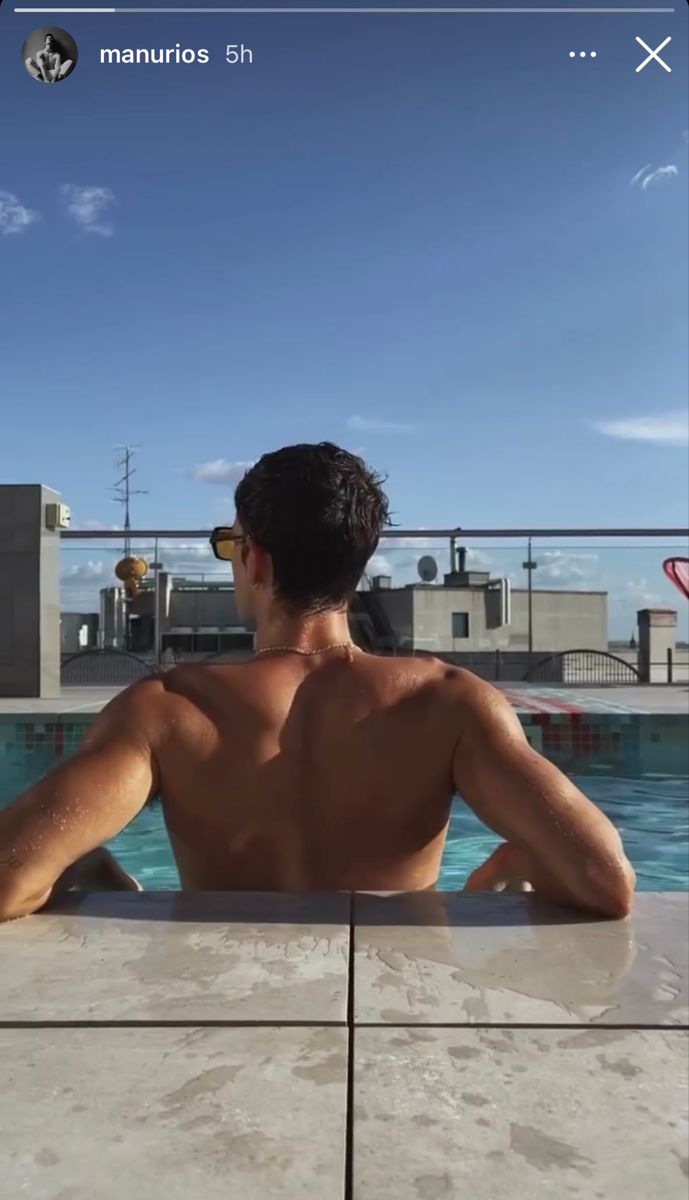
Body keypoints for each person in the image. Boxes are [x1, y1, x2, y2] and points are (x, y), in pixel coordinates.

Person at [0, 443, 635, 921]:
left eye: (230, 544)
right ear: (356, 564)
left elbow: (8, 877)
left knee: (78, 855)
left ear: (256, 558)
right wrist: (515, 859)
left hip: (221, 1002)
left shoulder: (166, 708)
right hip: (389, 994)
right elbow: (605, 880)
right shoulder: (446, 700)